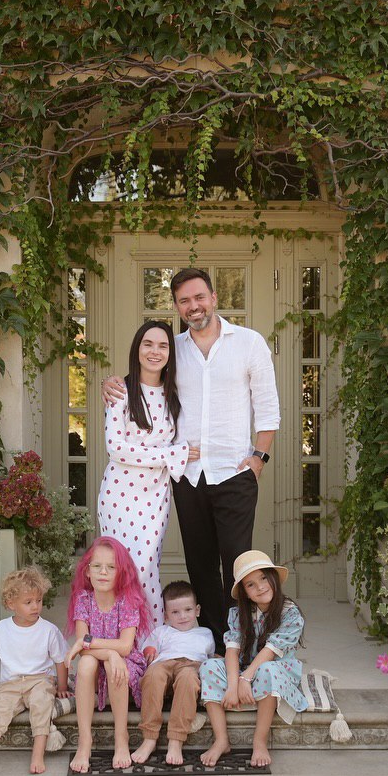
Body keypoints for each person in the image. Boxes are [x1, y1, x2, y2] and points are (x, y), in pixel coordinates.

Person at [105, 268, 280, 652]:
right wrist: (113, 383)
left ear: (214, 298)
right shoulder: (174, 349)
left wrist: (258, 458)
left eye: (199, 297)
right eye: (184, 300)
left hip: (234, 472)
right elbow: (146, 379)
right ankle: (215, 646)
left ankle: (243, 644)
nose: (193, 306)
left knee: (238, 566)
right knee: (200, 566)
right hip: (187, 475)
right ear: (177, 306)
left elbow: (268, 407)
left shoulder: (248, 343)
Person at [97, 320, 199, 629]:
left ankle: (150, 641)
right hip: (119, 494)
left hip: (155, 495)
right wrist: (171, 455)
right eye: (148, 344)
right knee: (118, 569)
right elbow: (116, 448)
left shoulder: (174, 394)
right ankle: (117, 640)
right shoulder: (121, 391)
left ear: (170, 353)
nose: (155, 351)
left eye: (163, 346)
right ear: (137, 349)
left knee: (146, 568)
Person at [198, 550, 309, 768]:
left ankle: (259, 742)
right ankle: (221, 739)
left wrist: (245, 679)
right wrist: (233, 685)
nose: (260, 587)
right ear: (245, 592)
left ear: (273, 578)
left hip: (276, 670)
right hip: (245, 669)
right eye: (250, 584)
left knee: (268, 669)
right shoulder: (239, 612)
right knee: (209, 666)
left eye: (263, 578)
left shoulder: (290, 613)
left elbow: (270, 651)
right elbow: (232, 650)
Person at [0, 567, 71, 774]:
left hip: (40, 681)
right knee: (0, 707)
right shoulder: (0, 630)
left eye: (38, 600)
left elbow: (60, 661)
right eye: (28, 602)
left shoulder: (49, 630)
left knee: (42, 705)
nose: (35, 606)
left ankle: (38, 754)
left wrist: (61, 687)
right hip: (10, 683)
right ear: (10, 604)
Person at [65, 537, 152, 772]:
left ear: (121, 572)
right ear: (87, 571)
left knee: (113, 663)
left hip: (125, 665)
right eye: (97, 566)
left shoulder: (128, 601)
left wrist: (109, 652)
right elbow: (84, 648)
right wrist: (110, 653)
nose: (103, 572)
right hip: (96, 664)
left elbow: (125, 647)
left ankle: (121, 738)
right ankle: (85, 742)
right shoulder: (83, 599)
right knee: (86, 664)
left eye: (111, 567)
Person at [131, 580, 215, 766]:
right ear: (166, 615)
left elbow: (210, 657)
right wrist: (150, 651)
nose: (182, 616)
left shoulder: (205, 633)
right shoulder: (162, 631)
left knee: (188, 679)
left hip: (191, 666)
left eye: (188, 610)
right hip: (165, 663)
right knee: (152, 675)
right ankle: (149, 737)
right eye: (175, 612)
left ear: (197, 610)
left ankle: (176, 739)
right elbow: (148, 647)